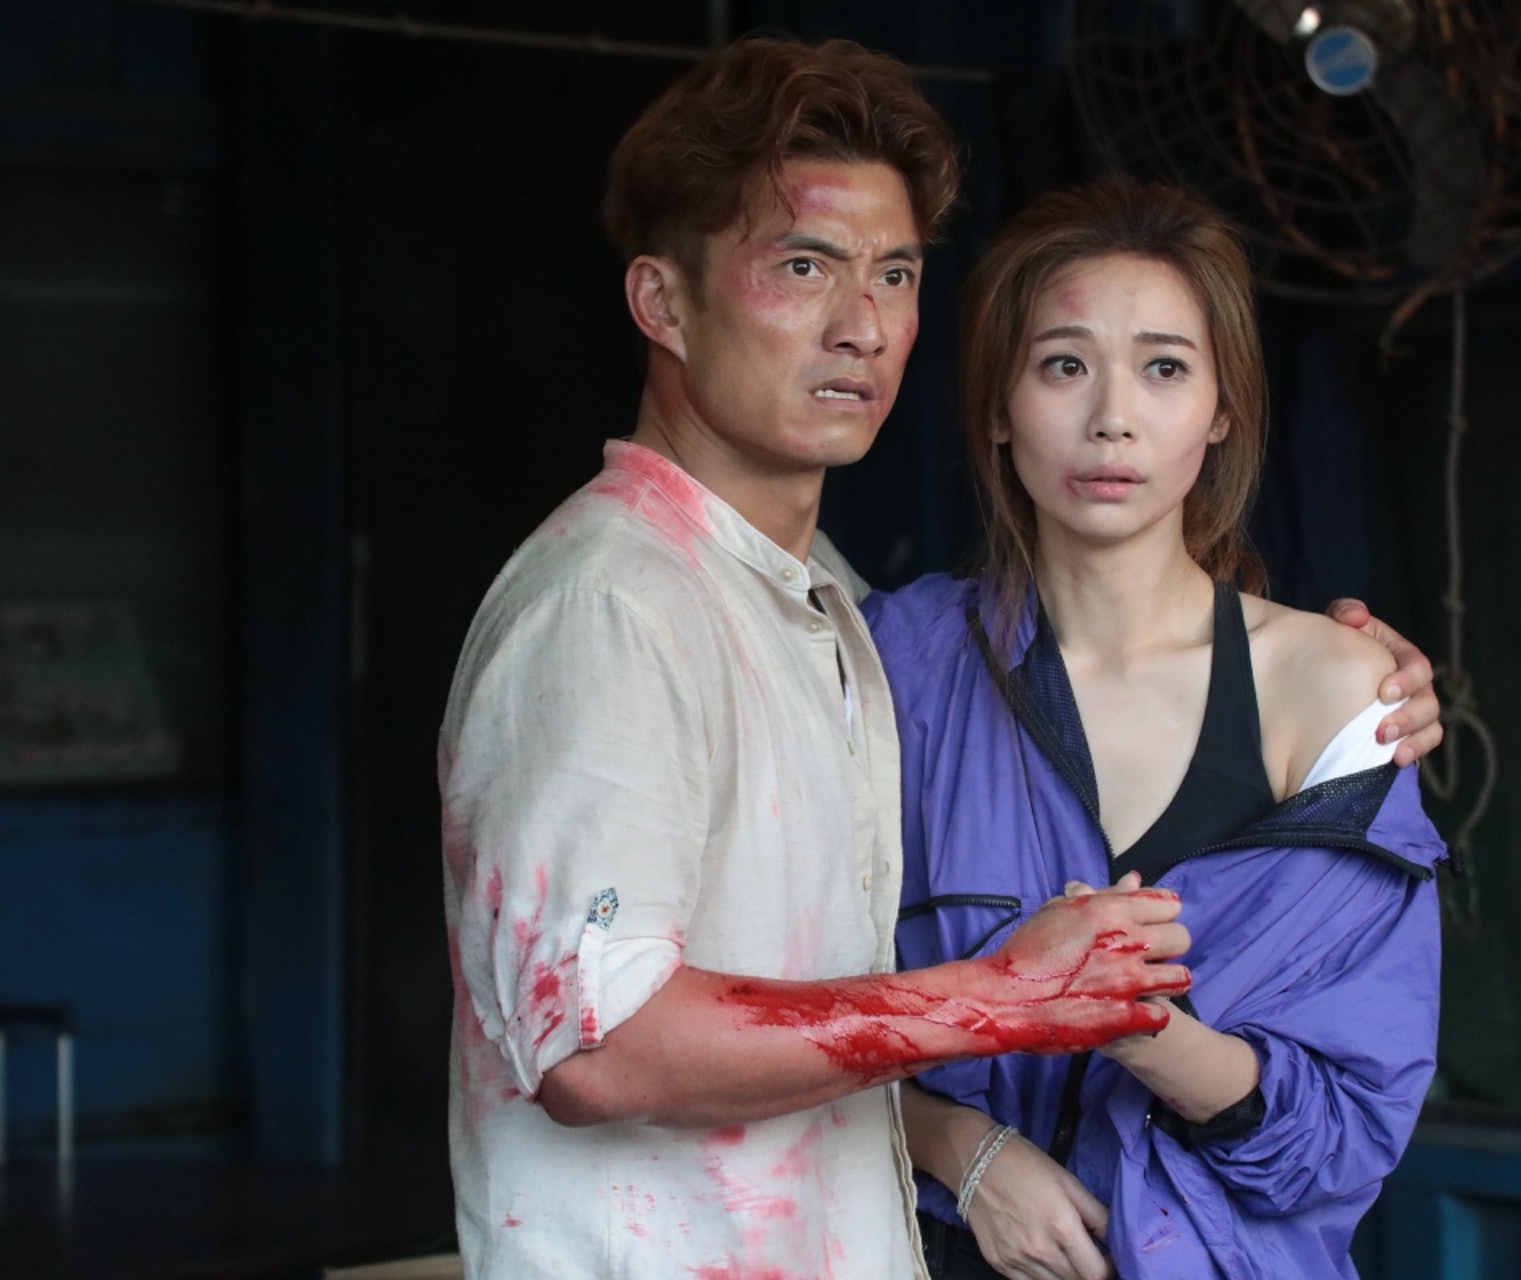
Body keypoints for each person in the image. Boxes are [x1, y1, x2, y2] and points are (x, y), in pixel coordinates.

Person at [439, 35, 1441, 1280]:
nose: (860, 326)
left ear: (1223, 407)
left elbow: (1349, 1107)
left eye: (895, 274)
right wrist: (999, 1030)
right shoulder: (618, 608)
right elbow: (594, 1047)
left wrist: (1353, 668)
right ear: (664, 303)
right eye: (803, 266)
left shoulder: (823, 617)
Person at [863, 180, 1448, 1280]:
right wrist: (959, 1148)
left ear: (1222, 409)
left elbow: (1344, 1131)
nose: (1112, 417)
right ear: (998, 406)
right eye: (1063, 364)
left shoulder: (1335, 692)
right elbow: (775, 1028)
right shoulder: (891, 667)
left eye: (1165, 368)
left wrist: (1138, 1026)